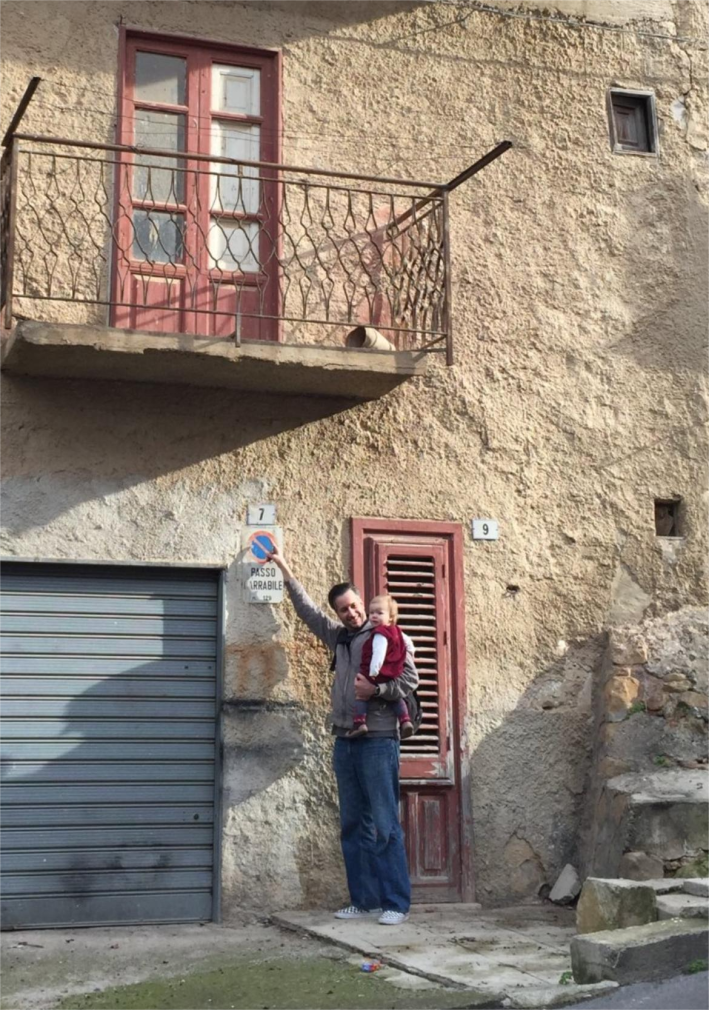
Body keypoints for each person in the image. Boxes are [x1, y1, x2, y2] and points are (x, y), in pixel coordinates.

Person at [266, 543, 417, 926]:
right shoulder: (340, 637)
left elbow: (411, 679)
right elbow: (307, 611)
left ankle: (395, 903)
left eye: (354, 606)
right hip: (345, 741)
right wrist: (283, 566)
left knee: (385, 824)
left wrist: (378, 691)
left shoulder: (389, 634)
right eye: (343, 610)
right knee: (353, 825)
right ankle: (363, 900)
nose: (350, 613)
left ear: (363, 604)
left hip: (379, 740)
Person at [348, 594, 414, 740]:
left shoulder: (379, 634)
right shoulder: (396, 630)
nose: (374, 616)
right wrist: (411, 652)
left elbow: (378, 653)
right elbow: (408, 643)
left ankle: (360, 723)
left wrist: (373, 672)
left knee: (361, 695)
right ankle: (405, 720)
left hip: (376, 671)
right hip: (393, 671)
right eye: (371, 613)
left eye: (379, 613)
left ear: (390, 617)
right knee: (395, 697)